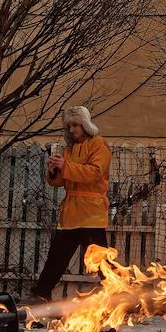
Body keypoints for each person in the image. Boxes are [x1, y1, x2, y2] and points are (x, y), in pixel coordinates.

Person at [27, 105, 112, 304]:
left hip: (91, 213)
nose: (72, 129)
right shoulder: (69, 149)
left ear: (85, 124)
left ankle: (117, 295)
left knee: (101, 260)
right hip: (71, 213)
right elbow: (58, 182)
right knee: (57, 256)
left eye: (76, 125)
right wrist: (53, 170)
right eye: (69, 126)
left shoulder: (99, 144)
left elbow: (95, 173)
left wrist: (65, 166)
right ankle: (41, 294)